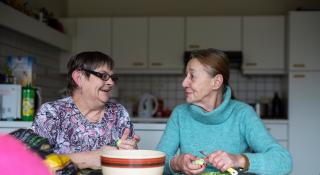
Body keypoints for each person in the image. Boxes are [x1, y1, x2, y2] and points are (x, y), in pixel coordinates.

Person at [156, 48, 292, 175]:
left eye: (192, 76)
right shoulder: (180, 114)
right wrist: (175, 164)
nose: (184, 83)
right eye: (186, 76)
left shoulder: (243, 114)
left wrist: (239, 160)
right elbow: (155, 162)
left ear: (216, 82)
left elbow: (284, 161)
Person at [32, 51, 140, 170]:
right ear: (79, 78)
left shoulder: (119, 113)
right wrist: (88, 159)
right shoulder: (52, 112)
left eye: (112, 78)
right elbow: (33, 163)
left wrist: (131, 152)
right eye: (104, 76)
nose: (111, 82)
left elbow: (130, 164)